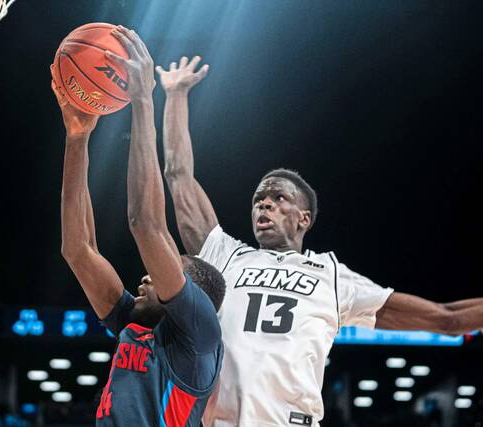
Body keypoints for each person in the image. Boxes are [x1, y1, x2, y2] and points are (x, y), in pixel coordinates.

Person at [156, 55, 483, 427]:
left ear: (303, 218)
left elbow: (448, 319)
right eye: (259, 198)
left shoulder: (332, 275)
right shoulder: (226, 254)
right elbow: (179, 176)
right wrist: (176, 96)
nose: (264, 202)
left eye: (278, 198)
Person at [53, 27, 226, 426]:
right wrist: (77, 139)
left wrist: (143, 100)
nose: (149, 273)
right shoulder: (136, 323)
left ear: (192, 295)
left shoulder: (200, 336)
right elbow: (78, 249)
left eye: (169, 268)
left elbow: (146, 224)